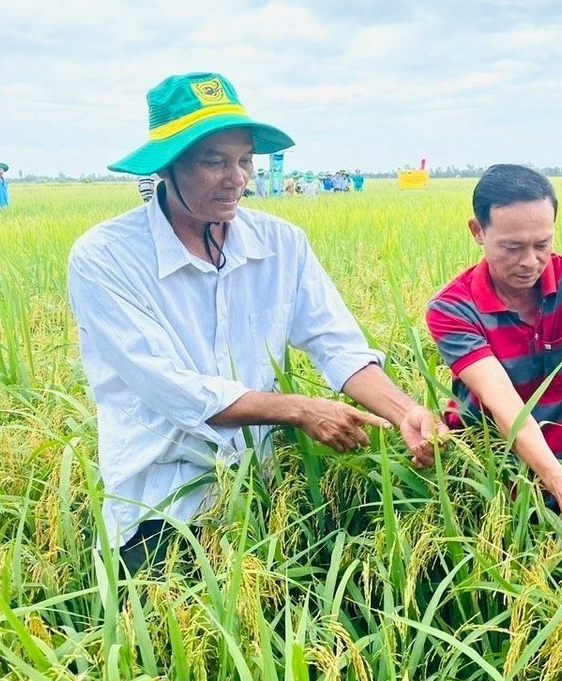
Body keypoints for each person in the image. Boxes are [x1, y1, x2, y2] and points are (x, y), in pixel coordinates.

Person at [67, 71, 445, 572]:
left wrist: (405, 412)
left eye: (245, 159)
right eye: (214, 161)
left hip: (259, 496)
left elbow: (337, 346)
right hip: (157, 504)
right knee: (164, 642)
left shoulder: (282, 244)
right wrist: (298, 409)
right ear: (167, 167)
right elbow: (170, 388)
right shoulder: (107, 257)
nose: (238, 177)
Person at [426, 164, 562, 544]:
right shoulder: (452, 308)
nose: (530, 261)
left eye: (542, 245)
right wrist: (559, 483)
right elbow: (505, 406)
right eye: (512, 247)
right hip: (488, 481)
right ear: (478, 232)